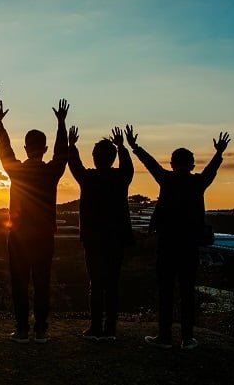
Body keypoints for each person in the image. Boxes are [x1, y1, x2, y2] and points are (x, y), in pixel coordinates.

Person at [126, 126, 231, 350]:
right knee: (187, 292)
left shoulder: (167, 179)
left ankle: (164, 336)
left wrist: (135, 147)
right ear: (192, 165)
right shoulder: (197, 183)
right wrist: (219, 152)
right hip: (189, 244)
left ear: (172, 163)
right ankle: (187, 337)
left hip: (166, 243)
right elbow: (211, 170)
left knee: (165, 291)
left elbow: (150, 163)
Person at [0, 98, 68, 344]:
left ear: (26, 148)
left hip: (18, 235)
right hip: (44, 235)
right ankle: (42, 330)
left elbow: (5, 151)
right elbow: (62, 154)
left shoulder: (16, 170)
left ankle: (23, 329)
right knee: (42, 282)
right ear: (44, 148)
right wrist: (61, 124)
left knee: (19, 283)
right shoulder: (51, 171)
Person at [68, 125, 134, 341]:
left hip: (93, 238)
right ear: (113, 158)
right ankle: (110, 329)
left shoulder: (88, 178)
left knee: (95, 283)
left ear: (94, 157)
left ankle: (95, 327)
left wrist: (72, 145)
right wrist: (122, 146)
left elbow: (74, 164)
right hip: (116, 237)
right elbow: (128, 166)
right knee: (112, 283)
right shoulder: (121, 177)